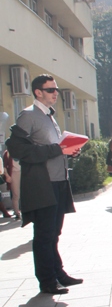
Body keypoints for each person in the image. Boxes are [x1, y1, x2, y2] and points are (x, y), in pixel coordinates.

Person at [5, 74, 83, 295]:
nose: (55, 93)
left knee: (54, 233)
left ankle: (58, 273)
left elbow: (54, 147)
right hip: (43, 185)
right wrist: (57, 150)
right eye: (51, 90)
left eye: (56, 89)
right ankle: (47, 281)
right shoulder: (28, 115)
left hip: (58, 181)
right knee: (44, 234)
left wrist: (70, 151)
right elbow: (18, 150)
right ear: (38, 92)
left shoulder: (49, 116)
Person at [2, 149, 21, 220]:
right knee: (16, 194)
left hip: (23, 173)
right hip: (13, 173)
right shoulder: (7, 153)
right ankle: (17, 212)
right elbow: (4, 166)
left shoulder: (21, 150)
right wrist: (7, 175)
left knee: (23, 194)